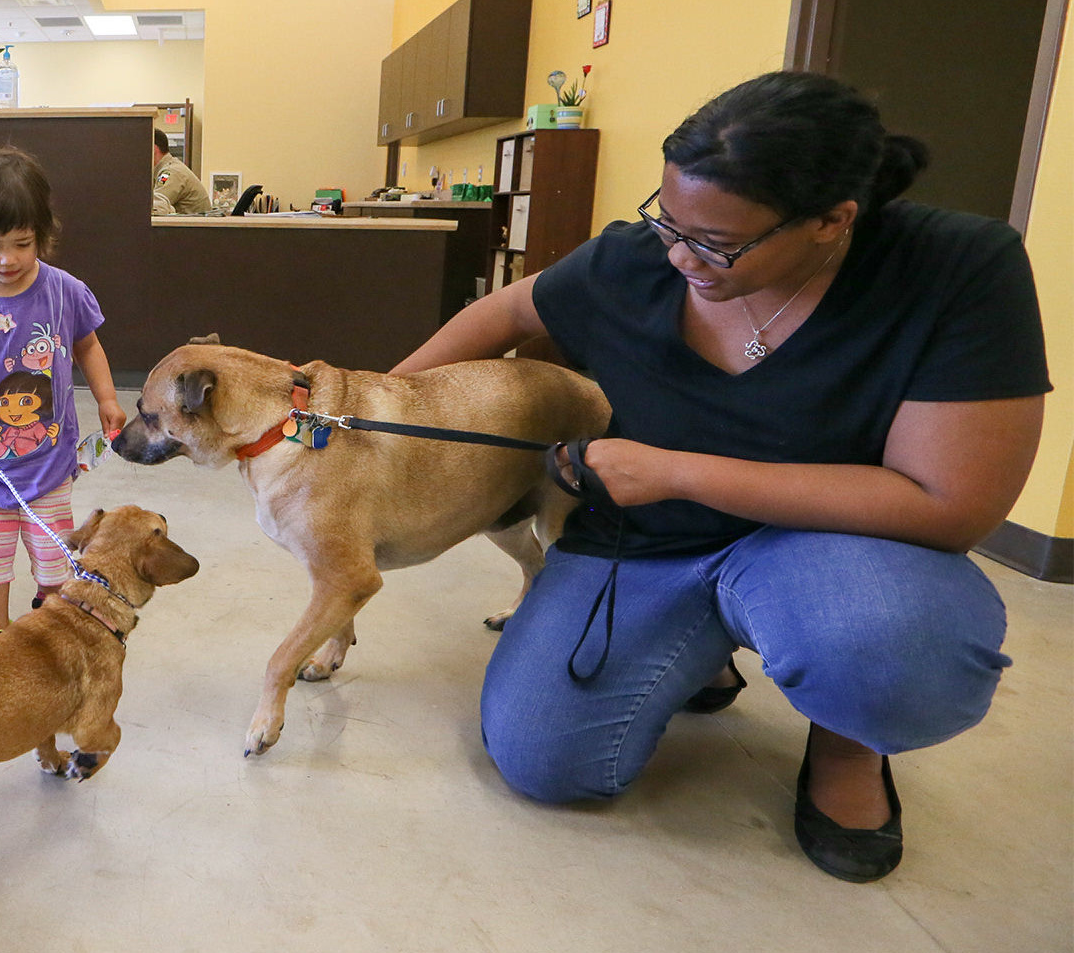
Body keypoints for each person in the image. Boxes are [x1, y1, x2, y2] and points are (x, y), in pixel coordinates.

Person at [391, 70, 1048, 884]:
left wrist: (674, 471)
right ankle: (700, 650)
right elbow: (510, 312)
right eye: (668, 220)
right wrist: (382, 401)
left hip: (832, 545)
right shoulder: (640, 262)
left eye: (715, 243)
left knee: (891, 652)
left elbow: (949, 505)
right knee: (540, 758)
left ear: (830, 221)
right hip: (648, 542)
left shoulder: (954, 267)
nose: (678, 255)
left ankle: (849, 743)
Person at [0, 144, 129, 637]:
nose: (8, 259)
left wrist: (106, 397)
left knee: (53, 548)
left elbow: (89, 346)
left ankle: (50, 610)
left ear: (42, 233)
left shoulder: (65, 290)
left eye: (22, 243)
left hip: (50, 459)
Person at [152, 127, 212, 215]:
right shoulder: (167, 168)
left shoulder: (170, 172)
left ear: (153, 149)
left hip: (192, 227)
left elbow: (157, 207)